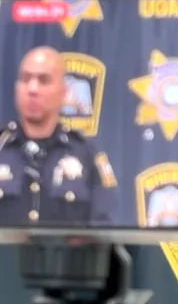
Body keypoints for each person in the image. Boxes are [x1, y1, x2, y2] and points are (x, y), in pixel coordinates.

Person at [0, 46, 118, 225]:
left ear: (63, 92)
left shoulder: (87, 155)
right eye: (25, 79)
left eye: (43, 80)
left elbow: (103, 233)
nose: (32, 89)